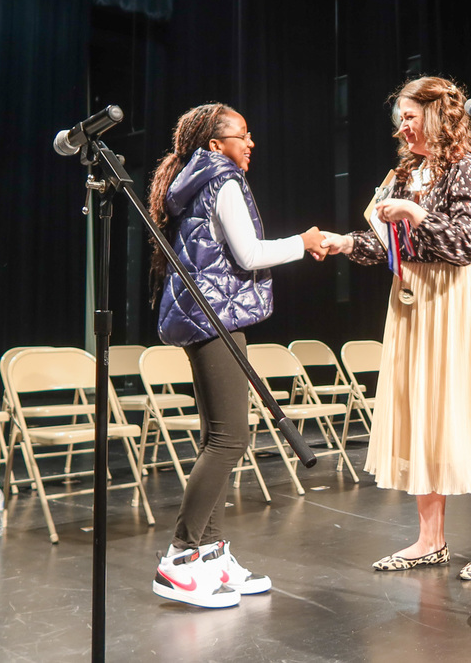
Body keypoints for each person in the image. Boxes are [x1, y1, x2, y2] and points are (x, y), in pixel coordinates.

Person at [320, 76, 471, 581]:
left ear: (437, 115)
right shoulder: (406, 173)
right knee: (422, 411)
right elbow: (389, 244)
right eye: (399, 120)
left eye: (409, 117)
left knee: (470, 413)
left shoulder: (468, 169)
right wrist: (346, 243)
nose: (402, 128)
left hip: (459, 298)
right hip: (415, 299)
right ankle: (430, 540)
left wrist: (417, 213)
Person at [147, 103, 326, 608]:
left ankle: (210, 555)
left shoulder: (198, 178)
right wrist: (302, 242)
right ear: (214, 144)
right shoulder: (221, 180)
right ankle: (180, 558)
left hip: (208, 316)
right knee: (229, 439)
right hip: (214, 318)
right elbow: (248, 255)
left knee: (219, 438)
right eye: (241, 135)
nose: (250, 143)